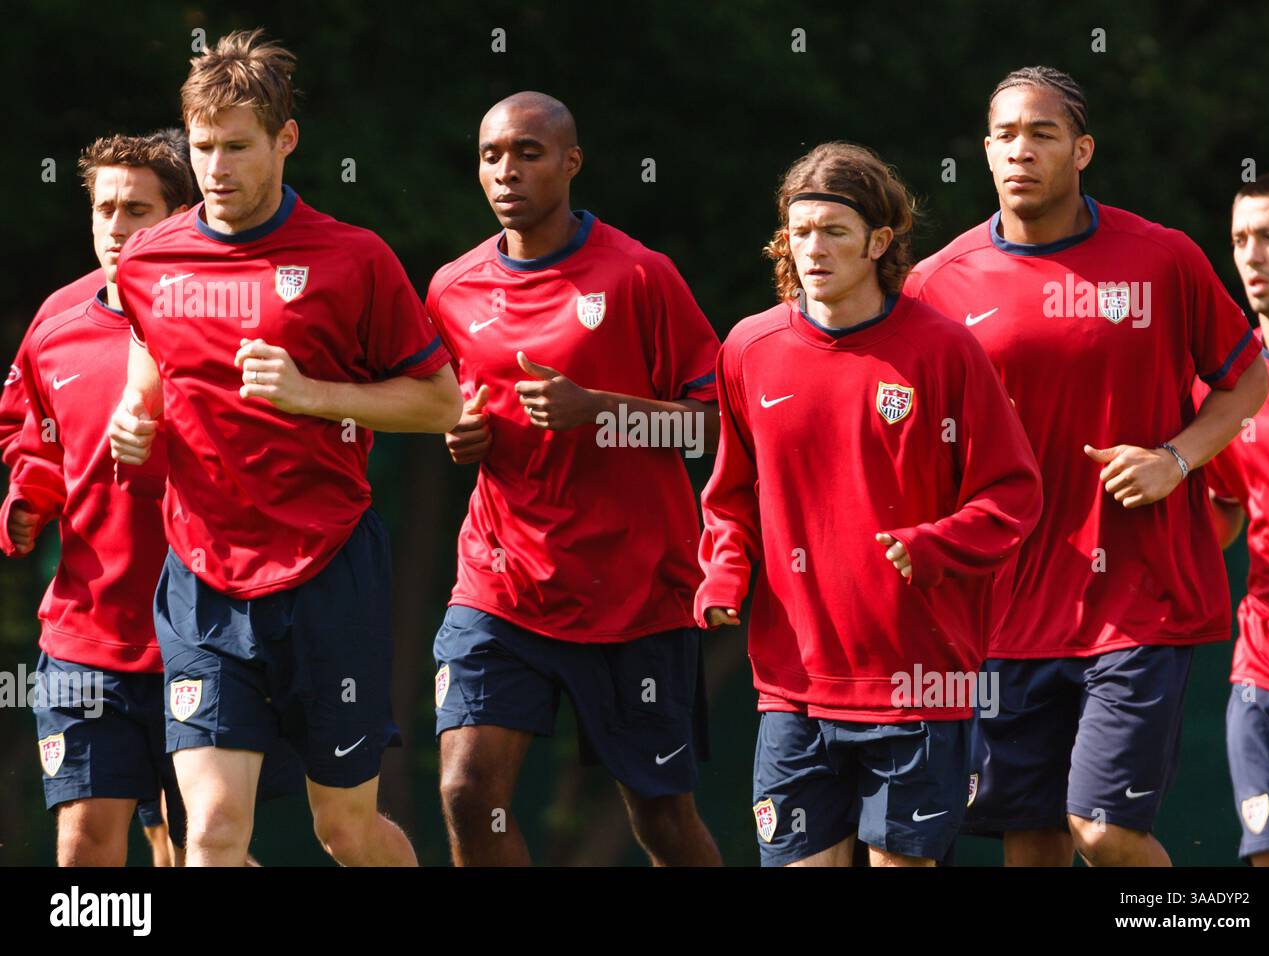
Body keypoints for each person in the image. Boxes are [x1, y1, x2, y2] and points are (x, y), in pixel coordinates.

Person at [108, 30, 462, 866]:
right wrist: (136, 410)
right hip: (202, 577)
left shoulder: (354, 259)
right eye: (202, 149)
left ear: (285, 140)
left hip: (327, 569)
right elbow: (148, 352)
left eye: (238, 147)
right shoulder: (151, 259)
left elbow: (440, 403)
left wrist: (313, 394)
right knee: (215, 828)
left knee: (343, 830)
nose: (217, 168)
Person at [905, 65, 1269, 866]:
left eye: (1042, 133)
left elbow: (1247, 379)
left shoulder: (1162, 258)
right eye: (1004, 135)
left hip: (1136, 601)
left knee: (1102, 831)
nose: (1020, 152)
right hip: (1002, 612)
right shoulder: (934, 285)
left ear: (1083, 150)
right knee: (1033, 842)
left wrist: (1177, 460)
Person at [697, 142, 1041, 866]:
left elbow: (1014, 492)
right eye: (800, 232)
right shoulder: (749, 348)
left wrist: (934, 545)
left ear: (880, 242)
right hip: (794, 684)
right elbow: (731, 496)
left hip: (917, 682)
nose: (813, 249)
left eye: (835, 232)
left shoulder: (944, 350)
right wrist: (724, 575)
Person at [427, 91, 723, 865]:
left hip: (635, 590)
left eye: (527, 152)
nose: (506, 171)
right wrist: (457, 435)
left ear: (570, 163)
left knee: (662, 820)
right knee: (467, 792)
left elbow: (712, 426)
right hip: (502, 581)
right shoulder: (451, 290)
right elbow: (442, 406)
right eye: (491, 155)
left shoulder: (639, 277)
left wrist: (597, 409)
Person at [1, 132, 194, 865]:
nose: (116, 229)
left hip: (204, 634)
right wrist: (29, 493)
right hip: (86, 636)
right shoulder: (55, 321)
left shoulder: (226, 318)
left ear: (181, 217)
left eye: (136, 210)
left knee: (199, 848)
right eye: (104, 209)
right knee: (84, 846)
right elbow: (32, 433)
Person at [1204, 172, 1269, 866]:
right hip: (1265, 678)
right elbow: (1225, 512)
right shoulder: (1221, 393)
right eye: (1240, 238)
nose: (1251, 255)